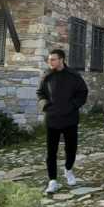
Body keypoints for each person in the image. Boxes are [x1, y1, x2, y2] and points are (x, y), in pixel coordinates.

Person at [37, 49, 89, 194]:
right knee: (51, 151)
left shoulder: (74, 76)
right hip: (52, 119)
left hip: (70, 118)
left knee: (71, 148)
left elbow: (83, 92)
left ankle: (68, 170)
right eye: (49, 59)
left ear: (61, 60)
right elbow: (40, 93)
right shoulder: (46, 76)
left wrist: (72, 106)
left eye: (53, 59)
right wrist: (45, 105)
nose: (50, 62)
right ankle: (52, 181)